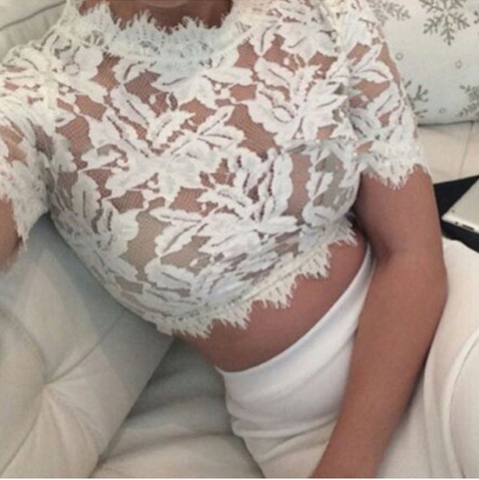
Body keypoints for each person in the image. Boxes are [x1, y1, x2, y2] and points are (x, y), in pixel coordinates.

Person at [0, 0, 448, 477]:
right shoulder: (36, 99)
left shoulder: (322, 12)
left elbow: (412, 253)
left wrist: (346, 467)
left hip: (434, 339)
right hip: (290, 431)